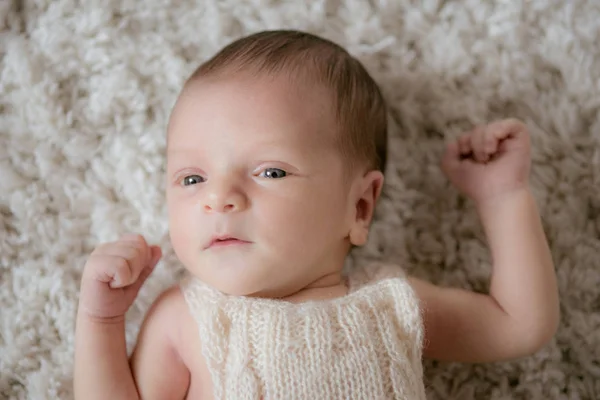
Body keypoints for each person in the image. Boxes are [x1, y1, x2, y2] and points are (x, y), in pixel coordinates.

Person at [74, 30, 560, 399]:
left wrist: (504, 197)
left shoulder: (392, 305)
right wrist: (100, 320)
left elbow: (518, 325)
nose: (219, 198)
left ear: (360, 207)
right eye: (192, 178)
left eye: (271, 171)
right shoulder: (183, 319)